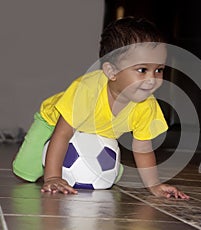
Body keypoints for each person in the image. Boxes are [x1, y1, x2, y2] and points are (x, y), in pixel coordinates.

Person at [12, 17, 189, 199]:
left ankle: (103, 166)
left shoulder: (146, 104)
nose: (152, 79)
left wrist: (155, 185)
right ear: (111, 72)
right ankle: (50, 166)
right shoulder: (87, 91)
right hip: (52, 122)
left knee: (105, 173)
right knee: (25, 172)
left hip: (99, 131)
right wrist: (53, 177)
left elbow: (143, 147)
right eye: (142, 70)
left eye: (159, 70)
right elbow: (62, 134)